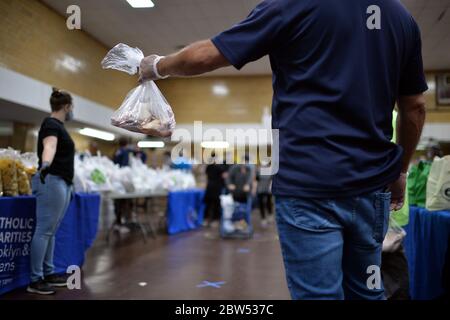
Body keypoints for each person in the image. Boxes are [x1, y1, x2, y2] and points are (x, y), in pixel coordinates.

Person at [139, 0, 427, 299]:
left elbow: (207, 55)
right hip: (371, 188)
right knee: (367, 290)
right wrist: (401, 170)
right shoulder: (399, 17)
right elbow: (415, 107)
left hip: (309, 186)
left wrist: (157, 66)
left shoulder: (292, 4)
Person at [28, 88, 75, 295]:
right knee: (44, 230)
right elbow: (50, 145)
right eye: (71, 107)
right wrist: (45, 164)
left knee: (51, 231)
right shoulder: (51, 124)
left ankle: (48, 273)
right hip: (52, 179)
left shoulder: (59, 126)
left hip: (62, 182)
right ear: (66, 107)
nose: (72, 111)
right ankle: (35, 279)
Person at [203, 152, 228, 227]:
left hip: (216, 188)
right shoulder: (210, 167)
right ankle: (207, 219)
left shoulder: (220, 167)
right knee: (209, 204)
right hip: (211, 188)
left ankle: (215, 220)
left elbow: (224, 177)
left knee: (216, 205)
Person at [256, 162, 273, 228]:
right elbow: (256, 179)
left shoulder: (270, 171)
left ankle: (270, 214)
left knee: (268, 202)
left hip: (268, 189)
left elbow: (272, 179)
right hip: (260, 189)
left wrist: (270, 187)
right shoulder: (259, 170)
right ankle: (263, 218)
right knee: (261, 203)